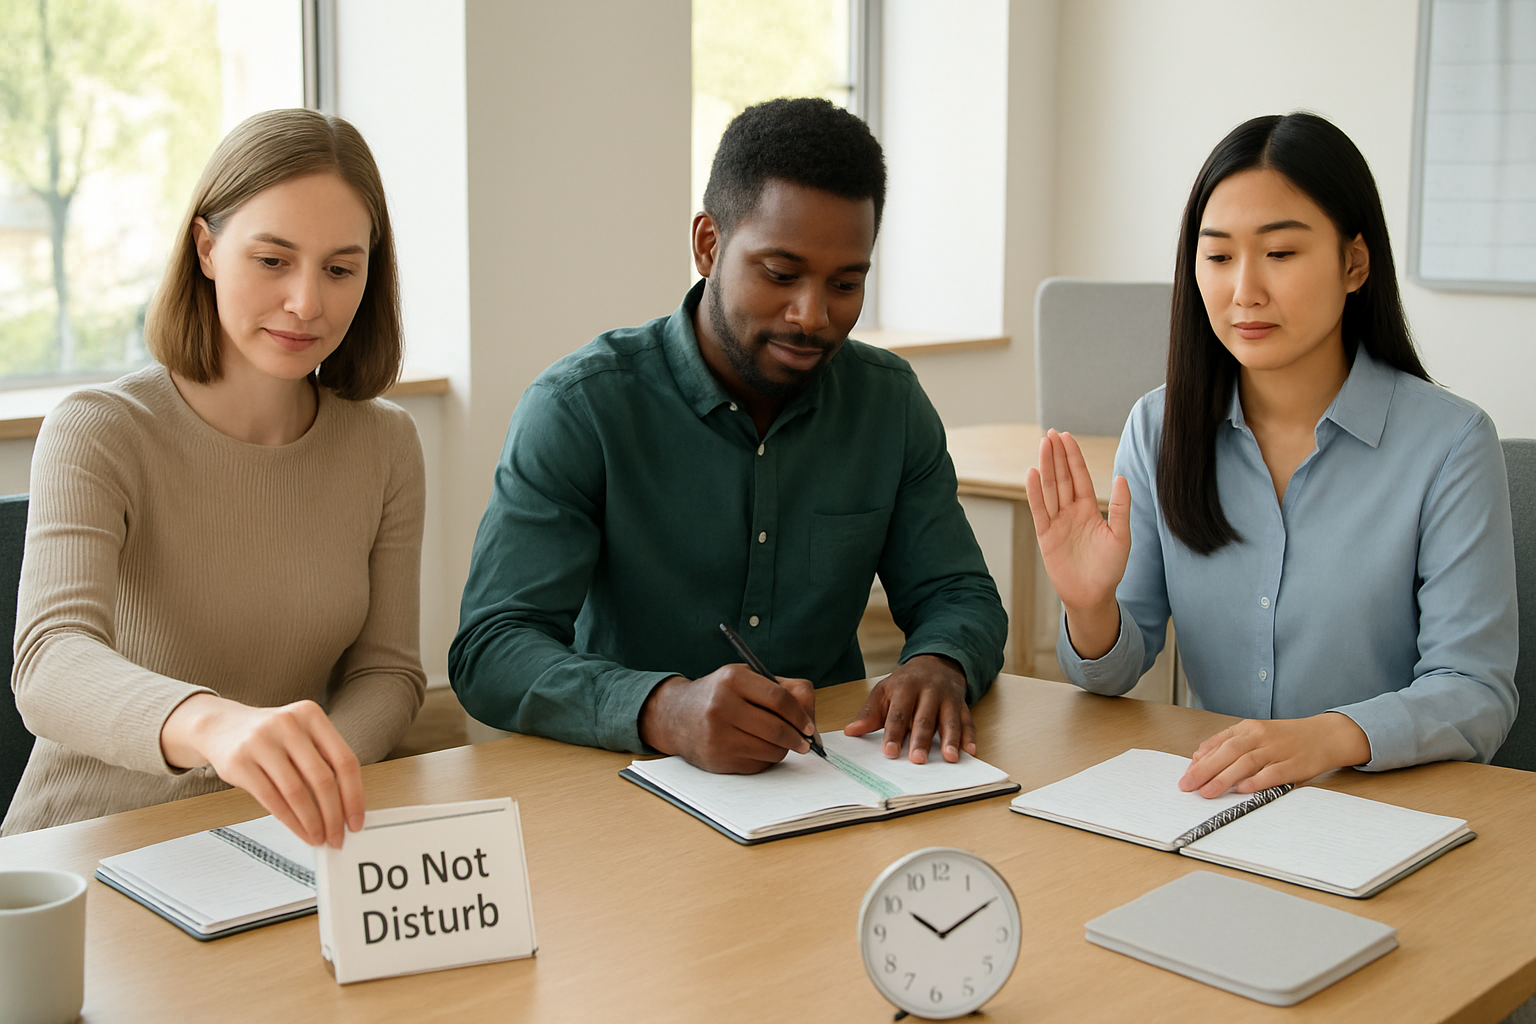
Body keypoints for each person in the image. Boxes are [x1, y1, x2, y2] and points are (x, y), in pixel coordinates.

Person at [451, 97, 1006, 774]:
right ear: (708, 245)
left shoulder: (889, 404)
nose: (812, 315)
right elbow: (491, 649)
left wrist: (940, 660)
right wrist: (664, 709)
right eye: (781, 275)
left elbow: (959, 593)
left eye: (845, 283)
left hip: (833, 779)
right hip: (623, 782)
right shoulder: (580, 408)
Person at [1028, 112, 1517, 798]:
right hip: (1216, 802)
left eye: (1280, 254)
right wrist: (1090, 606)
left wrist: (1327, 736)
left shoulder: (1451, 444)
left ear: (1354, 262)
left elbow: (1476, 693)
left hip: (1388, 808)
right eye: (1219, 256)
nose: (1243, 291)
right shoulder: (1159, 427)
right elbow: (1109, 675)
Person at [2, 110, 426, 845]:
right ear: (205, 248)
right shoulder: (99, 429)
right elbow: (49, 662)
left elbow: (388, 676)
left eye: (339, 268)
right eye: (272, 260)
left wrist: (308, 781)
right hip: (87, 845)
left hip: (275, 841)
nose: (307, 302)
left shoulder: (386, 443)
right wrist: (216, 727)